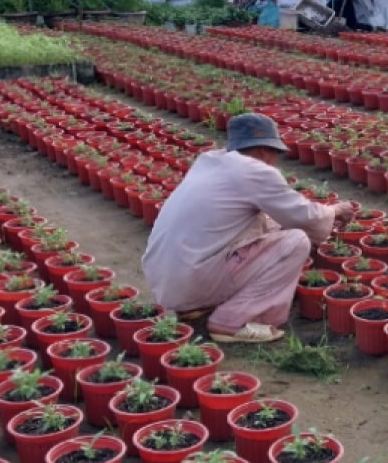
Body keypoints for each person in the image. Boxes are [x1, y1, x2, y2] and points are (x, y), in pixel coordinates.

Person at [142, 112, 356, 343]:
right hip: (194, 278)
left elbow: (276, 216)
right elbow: (303, 216)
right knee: (296, 241)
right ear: (264, 150)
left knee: (269, 222)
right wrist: (335, 211)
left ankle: (195, 306)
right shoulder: (254, 170)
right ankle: (230, 322)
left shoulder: (210, 162)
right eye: (275, 153)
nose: (275, 161)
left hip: (166, 278)